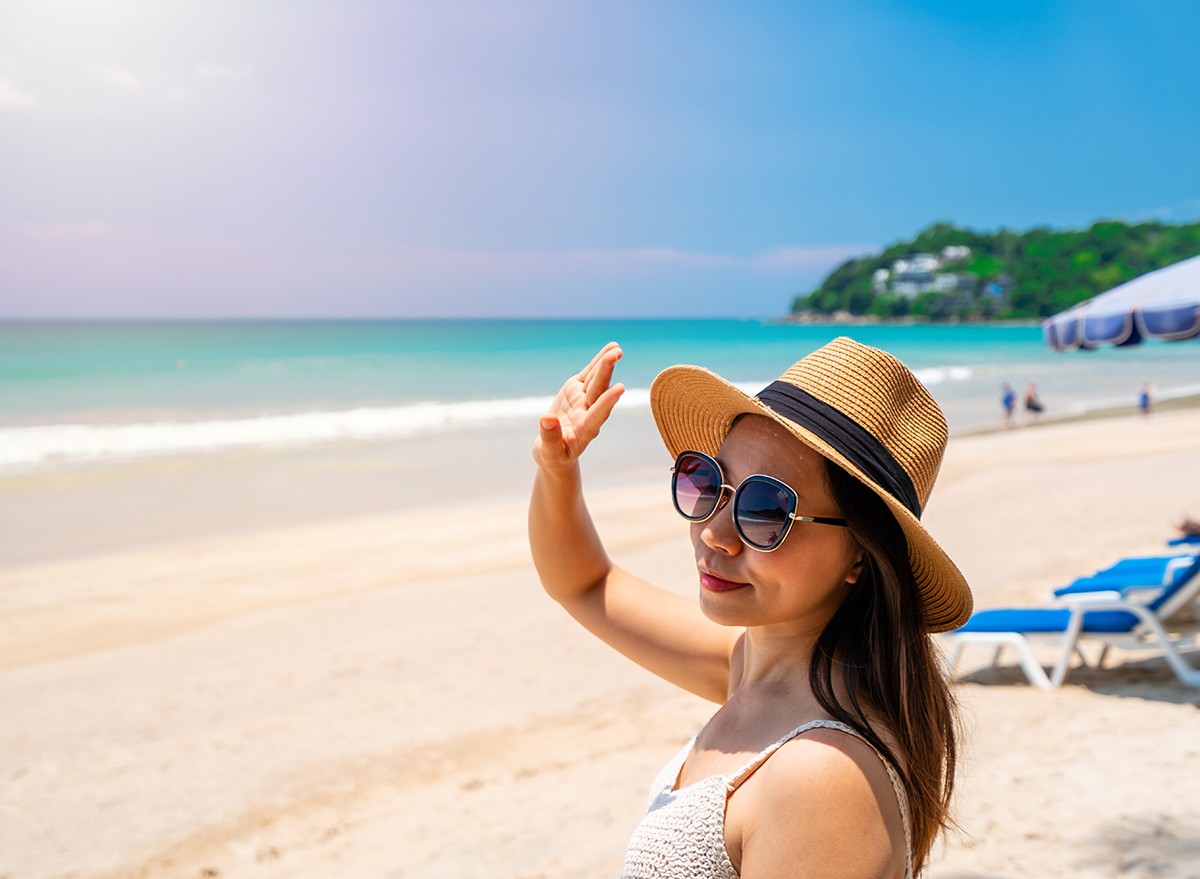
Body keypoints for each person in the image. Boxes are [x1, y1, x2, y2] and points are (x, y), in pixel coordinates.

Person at [529, 337, 973, 878]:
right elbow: (586, 585)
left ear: (860, 553)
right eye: (708, 482)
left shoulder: (822, 774)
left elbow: (585, 588)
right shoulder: (755, 670)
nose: (714, 533)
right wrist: (557, 470)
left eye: (766, 510)